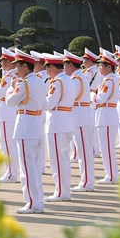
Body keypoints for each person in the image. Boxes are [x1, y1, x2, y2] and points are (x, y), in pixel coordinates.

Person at [6, 50, 46, 214]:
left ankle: (31, 202)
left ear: (25, 66)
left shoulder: (24, 84)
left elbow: (10, 101)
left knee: (27, 168)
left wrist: (11, 88)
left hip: (25, 126)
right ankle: (38, 201)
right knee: (34, 167)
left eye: (18, 66)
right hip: (36, 124)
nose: (15, 69)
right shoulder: (39, 81)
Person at [43, 53, 75, 202]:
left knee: (57, 159)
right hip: (66, 120)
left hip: (56, 122)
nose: (47, 71)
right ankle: (63, 190)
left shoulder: (57, 83)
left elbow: (49, 103)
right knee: (63, 158)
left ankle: (61, 191)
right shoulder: (68, 80)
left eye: (48, 68)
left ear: (52, 67)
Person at [63, 50, 94, 192]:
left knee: (83, 152)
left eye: (65, 65)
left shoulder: (76, 79)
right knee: (83, 151)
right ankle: (87, 181)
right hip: (81, 115)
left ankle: (86, 182)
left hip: (79, 116)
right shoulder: (79, 76)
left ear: (70, 65)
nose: (63, 68)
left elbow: (70, 97)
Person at [93, 50, 120, 184]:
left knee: (107, 148)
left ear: (109, 67)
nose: (99, 68)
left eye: (101, 65)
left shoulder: (109, 80)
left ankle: (111, 176)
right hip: (105, 114)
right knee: (105, 147)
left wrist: (92, 96)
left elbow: (101, 98)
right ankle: (110, 174)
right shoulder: (108, 79)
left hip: (107, 115)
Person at [0, 48, 20, 183]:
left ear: (10, 62)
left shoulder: (9, 76)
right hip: (10, 113)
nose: (2, 63)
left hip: (5, 113)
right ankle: (12, 171)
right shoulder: (15, 75)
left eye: (4, 61)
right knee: (11, 144)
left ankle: (11, 173)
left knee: (7, 144)